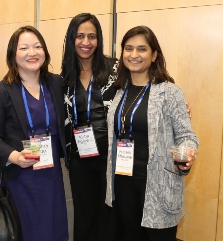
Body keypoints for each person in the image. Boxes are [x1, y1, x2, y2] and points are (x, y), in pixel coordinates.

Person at [106, 25, 199, 241]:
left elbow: (187, 135)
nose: (134, 55)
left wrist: (188, 153)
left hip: (158, 185)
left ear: (154, 54)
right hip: (123, 181)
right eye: (128, 49)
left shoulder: (169, 92)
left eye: (142, 49)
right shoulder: (119, 91)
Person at [0, 26, 69, 241]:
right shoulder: (1, 92)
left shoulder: (56, 83)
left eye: (37, 46)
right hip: (19, 175)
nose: (32, 53)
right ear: (13, 54)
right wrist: (14, 157)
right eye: (24, 48)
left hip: (52, 173)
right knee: (24, 231)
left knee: (52, 228)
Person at [61, 13, 120, 241]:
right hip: (80, 158)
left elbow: (147, 85)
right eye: (80, 36)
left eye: (92, 36)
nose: (86, 42)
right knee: (84, 216)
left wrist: (174, 103)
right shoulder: (65, 77)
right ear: (71, 39)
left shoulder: (116, 69)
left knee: (110, 214)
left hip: (111, 156)